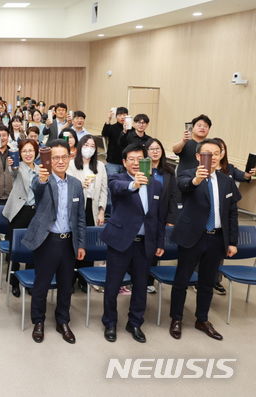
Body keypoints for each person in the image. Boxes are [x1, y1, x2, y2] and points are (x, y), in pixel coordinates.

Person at [169, 139, 240, 341]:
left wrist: (232, 242)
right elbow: (183, 187)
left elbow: (232, 214)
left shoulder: (226, 181)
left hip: (216, 239)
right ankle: (176, 318)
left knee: (207, 282)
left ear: (221, 156)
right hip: (193, 237)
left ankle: (202, 319)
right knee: (181, 280)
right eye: (208, 153)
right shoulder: (188, 174)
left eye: (216, 153)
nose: (213, 157)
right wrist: (196, 180)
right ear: (199, 157)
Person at [21, 140, 86, 344]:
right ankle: (38, 321)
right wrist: (41, 179)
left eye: (63, 157)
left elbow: (81, 218)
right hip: (47, 241)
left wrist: (81, 244)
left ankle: (62, 321)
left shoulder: (75, 184)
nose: (59, 161)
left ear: (70, 157)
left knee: (66, 286)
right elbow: (37, 192)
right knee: (41, 285)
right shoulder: (43, 179)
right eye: (55, 157)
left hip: (69, 243)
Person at [100, 144, 165, 343]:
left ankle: (135, 322)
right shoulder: (117, 179)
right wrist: (134, 184)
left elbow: (158, 216)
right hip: (121, 242)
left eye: (140, 159)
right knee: (113, 285)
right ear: (124, 162)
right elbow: (118, 189)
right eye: (131, 159)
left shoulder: (156, 184)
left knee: (140, 286)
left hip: (145, 244)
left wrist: (159, 241)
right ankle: (110, 322)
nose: (136, 163)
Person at [211, 137, 255, 295]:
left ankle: (216, 280)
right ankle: (199, 279)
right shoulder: (203, 169)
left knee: (219, 251)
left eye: (221, 150)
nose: (218, 153)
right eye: (215, 150)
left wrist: (250, 174)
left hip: (225, 214)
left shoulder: (229, 168)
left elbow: (244, 176)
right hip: (209, 216)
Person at [67, 135, 108, 292]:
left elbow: (104, 190)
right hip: (76, 206)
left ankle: (84, 279)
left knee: (88, 242)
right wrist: (80, 186)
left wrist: (101, 211)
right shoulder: (71, 165)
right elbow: (69, 188)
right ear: (80, 146)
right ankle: (70, 278)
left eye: (92, 146)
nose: (89, 148)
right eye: (86, 145)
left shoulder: (100, 166)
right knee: (74, 241)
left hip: (92, 206)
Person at [144, 138, 182, 294]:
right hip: (144, 215)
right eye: (151, 149)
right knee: (140, 248)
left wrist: (172, 219)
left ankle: (148, 280)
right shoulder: (141, 169)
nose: (154, 151)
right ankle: (135, 278)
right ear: (146, 152)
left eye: (157, 148)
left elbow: (174, 197)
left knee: (154, 248)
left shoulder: (169, 170)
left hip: (161, 215)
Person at [3, 139, 40, 297]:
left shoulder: (41, 169)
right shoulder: (17, 166)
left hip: (35, 211)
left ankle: (31, 280)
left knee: (34, 248)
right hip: (19, 211)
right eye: (24, 151)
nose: (28, 154)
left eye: (31, 150)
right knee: (15, 249)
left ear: (36, 152)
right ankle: (13, 282)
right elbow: (13, 170)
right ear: (20, 153)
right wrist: (12, 163)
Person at [102, 107, 129, 176]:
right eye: (120, 115)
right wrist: (109, 119)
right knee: (112, 182)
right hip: (112, 162)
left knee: (124, 183)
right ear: (116, 117)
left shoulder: (131, 129)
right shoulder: (112, 127)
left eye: (124, 115)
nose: (122, 117)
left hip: (127, 162)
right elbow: (104, 134)